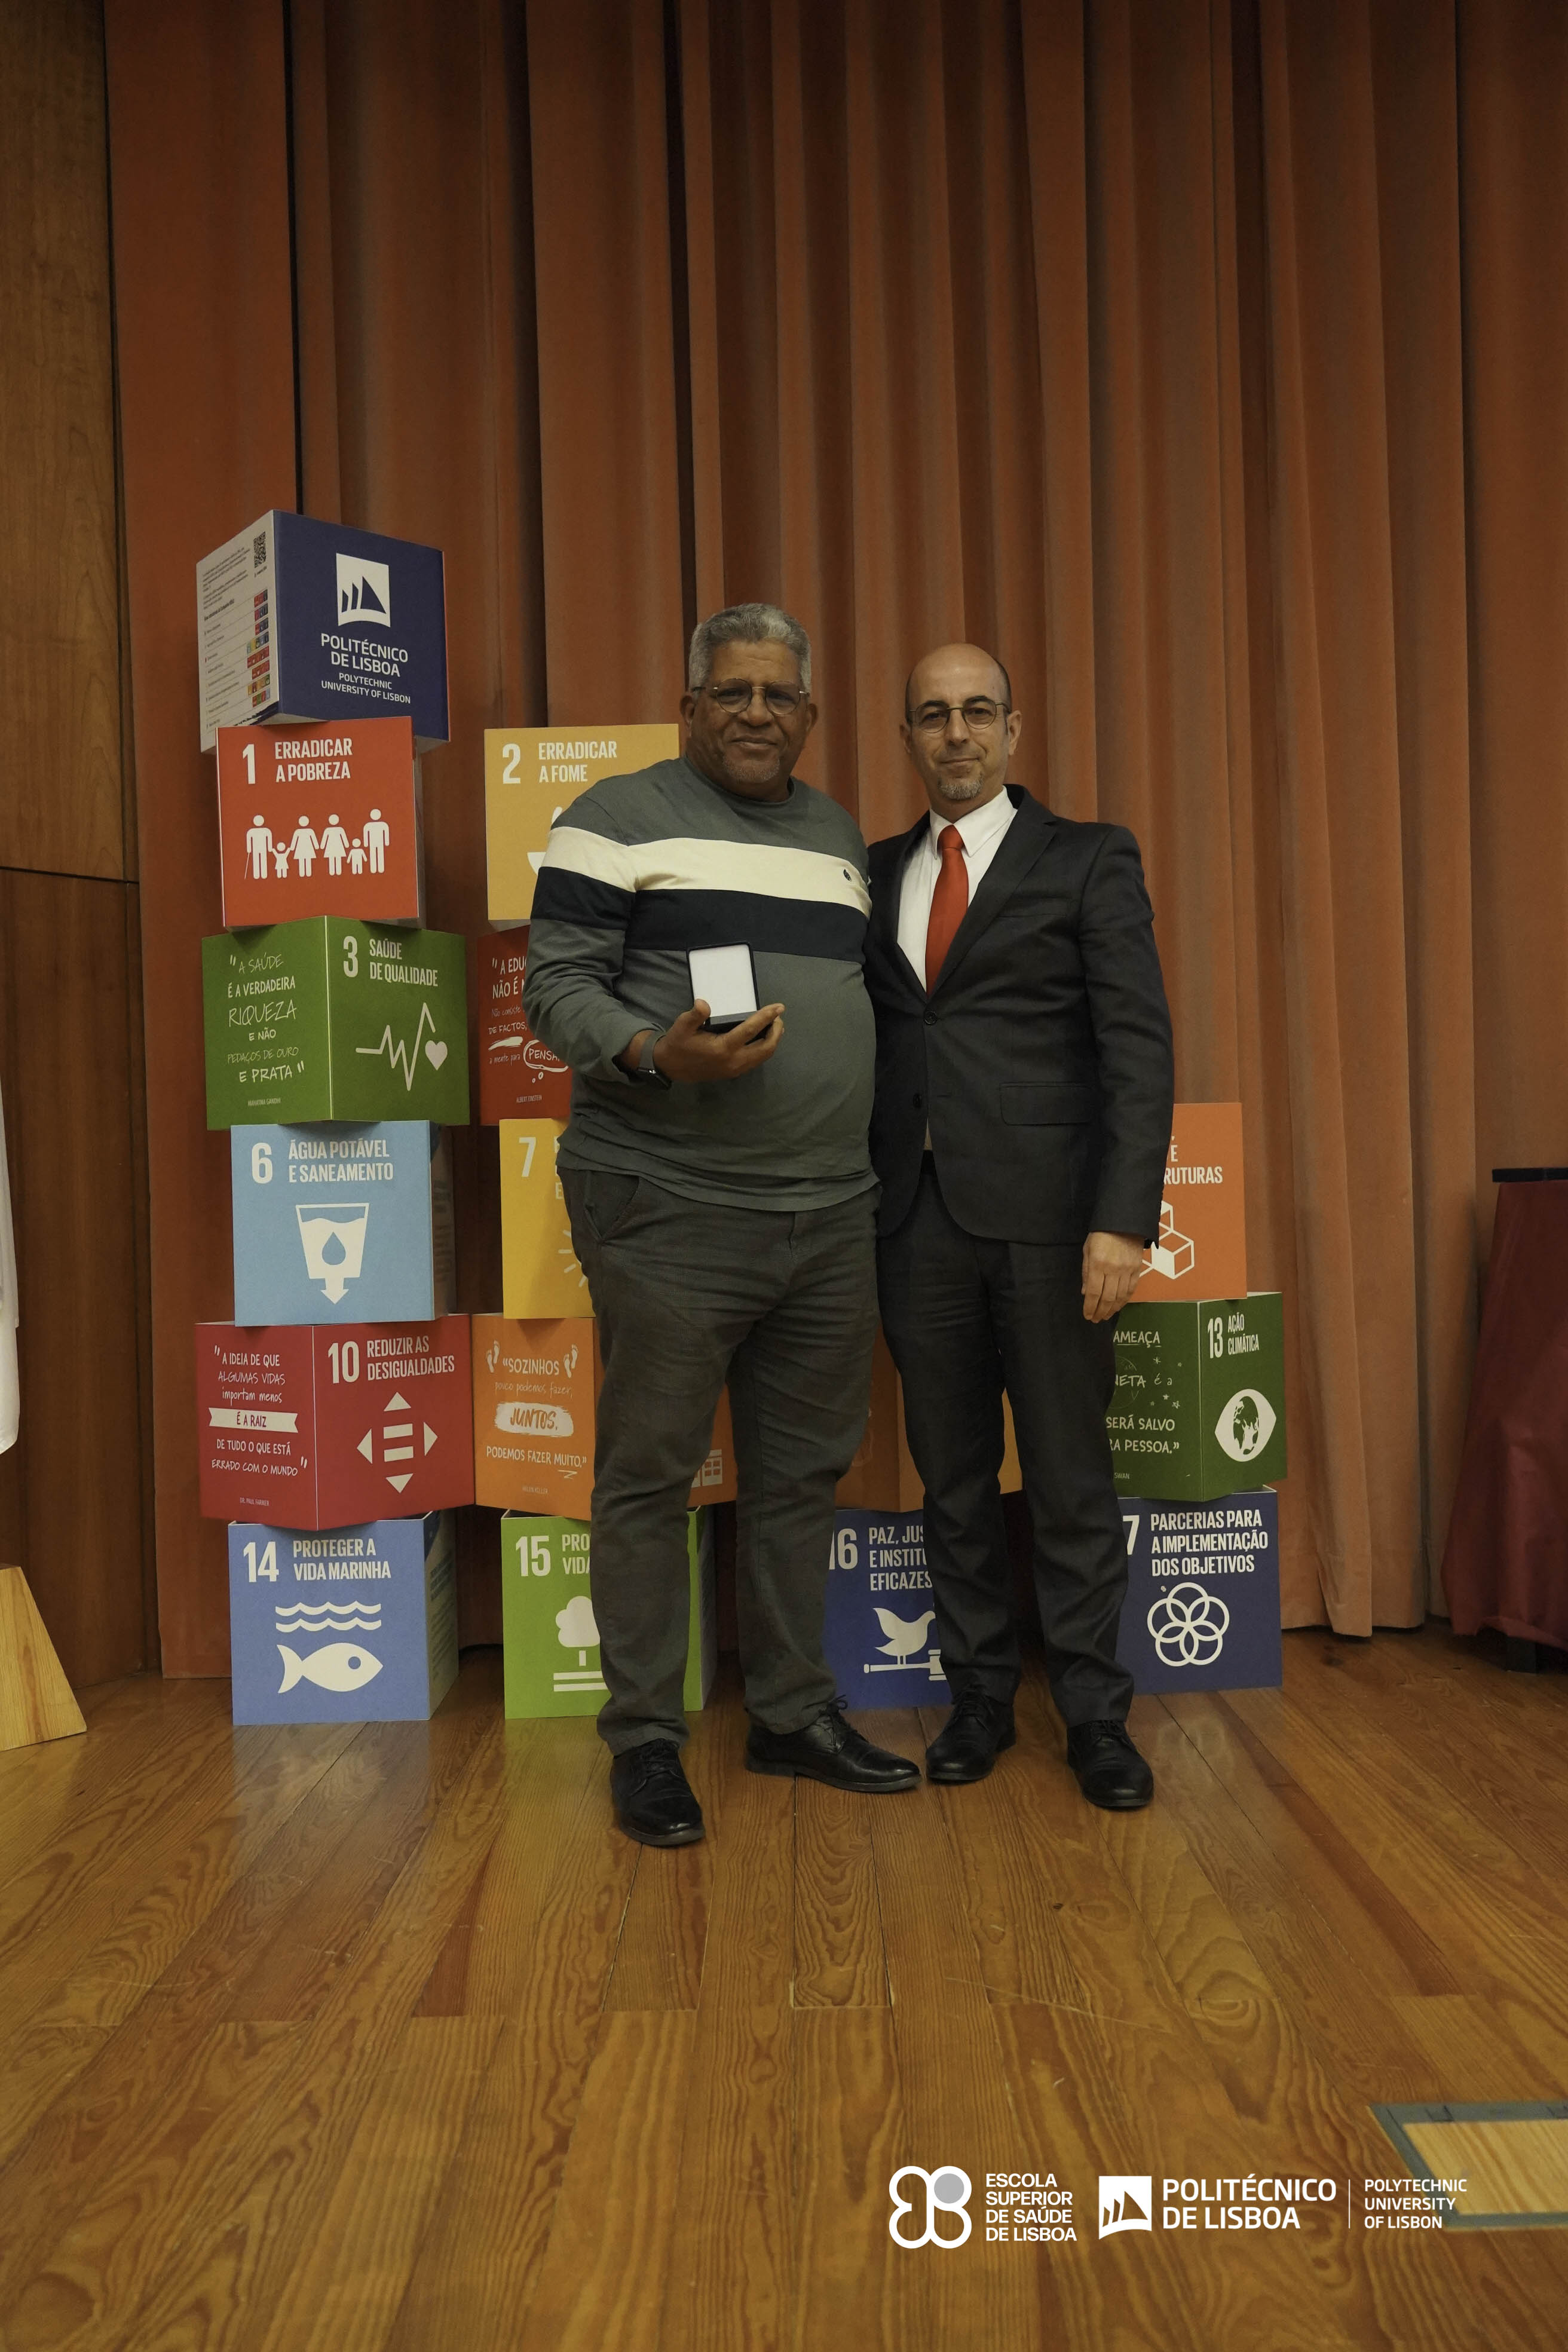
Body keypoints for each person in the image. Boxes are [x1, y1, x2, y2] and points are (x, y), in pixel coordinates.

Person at [523, 602, 919, 1847]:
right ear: (689, 706)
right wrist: (654, 1052)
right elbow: (553, 987)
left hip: (830, 1214)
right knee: (650, 1475)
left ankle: (792, 1713)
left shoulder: (837, 835)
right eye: (732, 692)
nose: (757, 713)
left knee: (801, 1475)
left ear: (810, 714)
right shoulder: (612, 816)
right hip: (667, 1205)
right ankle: (645, 1739)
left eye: (778, 695)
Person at [864, 643, 1174, 1808]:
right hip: (913, 1225)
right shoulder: (871, 873)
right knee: (951, 1481)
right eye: (933, 714)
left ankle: (1096, 1717)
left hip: (1053, 1228)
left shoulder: (1090, 858)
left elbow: (1137, 1050)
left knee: (1068, 1478)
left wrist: (1122, 1222)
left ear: (1014, 728)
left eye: (978, 711)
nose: (957, 733)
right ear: (907, 734)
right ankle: (980, 1701)